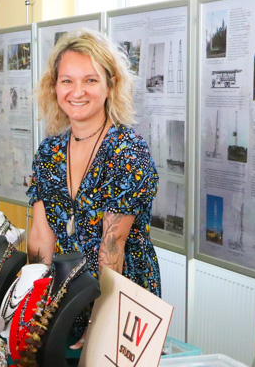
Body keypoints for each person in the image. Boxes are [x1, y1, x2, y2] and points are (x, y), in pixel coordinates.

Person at [28, 29, 160, 318]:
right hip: (63, 299)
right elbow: (40, 235)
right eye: (67, 81)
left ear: (111, 85)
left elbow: (113, 245)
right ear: (54, 86)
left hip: (117, 299)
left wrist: (99, 318)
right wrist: (33, 302)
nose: (77, 92)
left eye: (90, 80)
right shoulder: (49, 151)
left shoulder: (127, 151)